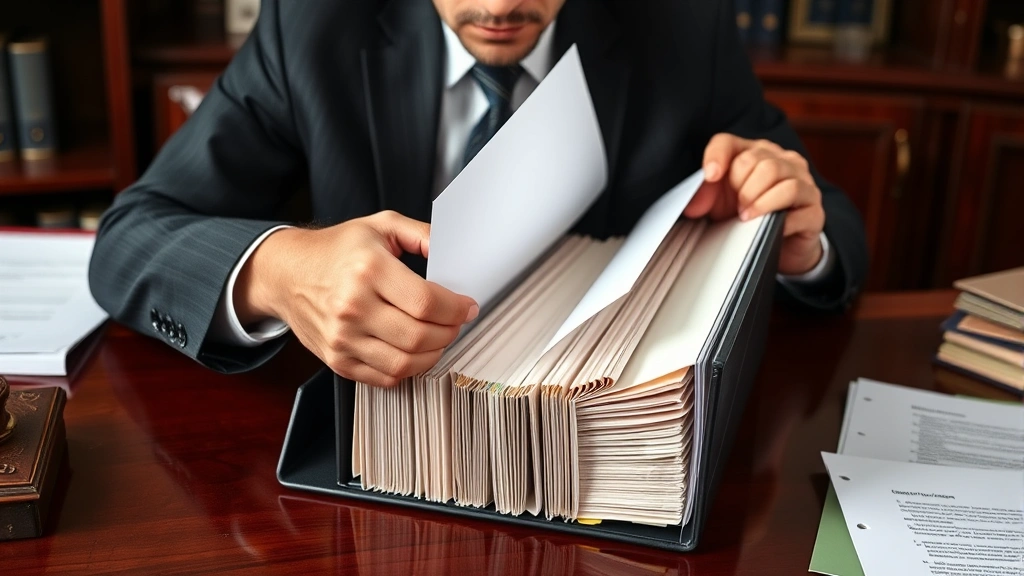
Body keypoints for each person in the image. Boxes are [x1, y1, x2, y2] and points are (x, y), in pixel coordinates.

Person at [89, 0, 868, 385]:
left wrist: (799, 243)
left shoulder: (681, 25)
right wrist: (280, 272)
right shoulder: (313, 22)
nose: (499, 6)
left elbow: (823, 215)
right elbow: (132, 236)